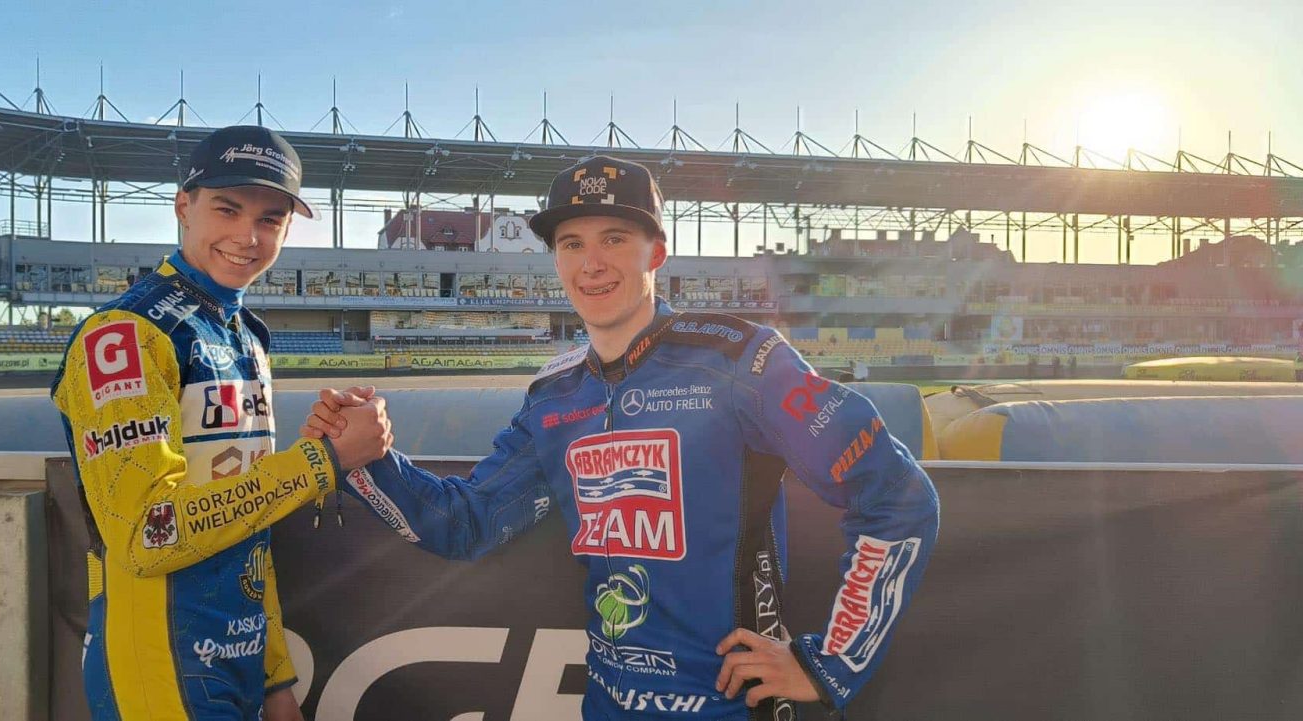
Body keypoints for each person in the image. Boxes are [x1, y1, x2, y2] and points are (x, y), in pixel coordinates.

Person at [304, 156, 940, 719]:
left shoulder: (742, 360)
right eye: (572, 243)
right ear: (557, 260)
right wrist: (363, 458)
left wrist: (830, 663)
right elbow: (466, 525)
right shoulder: (553, 396)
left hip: (729, 710)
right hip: (606, 707)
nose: (592, 263)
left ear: (655, 252)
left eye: (615, 238)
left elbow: (896, 494)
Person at [50, 126, 391, 721]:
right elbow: (145, 535)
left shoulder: (247, 334)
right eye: (227, 209)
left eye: (270, 219)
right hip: (157, 663)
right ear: (183, 207)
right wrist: (322, 461)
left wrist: (275, 676)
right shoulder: (125, 335)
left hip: (240, 655)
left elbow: (247, 519)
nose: (247, 237)